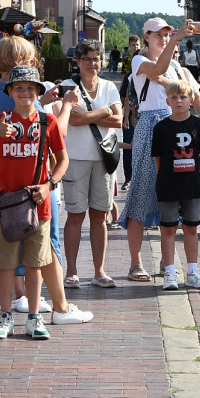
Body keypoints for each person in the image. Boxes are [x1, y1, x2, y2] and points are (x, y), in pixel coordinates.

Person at [0, 36, 91, 330]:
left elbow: (56, 148)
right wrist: (65, 105)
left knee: (13, 251)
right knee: (33, 249)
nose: (25, 93)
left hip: (19, 184)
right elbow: (52, 134)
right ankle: (55, 307)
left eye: (29, 89)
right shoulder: (12, 104)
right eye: (32, 58)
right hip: (23, 186)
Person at [118, 18, 199, 282]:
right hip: (151, 124)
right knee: (141, 195)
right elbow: (159, 67)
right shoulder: (139, 61)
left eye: (167, 34)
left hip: (175, 125)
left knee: (172, 196)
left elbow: (192, 94)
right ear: (146, 37)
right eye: (159, 35)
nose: (163, 38)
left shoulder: (176, 65)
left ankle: (168, 264)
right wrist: (176, 41)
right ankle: (135, 263)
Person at [62, 40, 122, 289]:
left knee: (100, 216)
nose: (92, 64)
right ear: (77, 60)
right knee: (75, 216)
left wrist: (95, 115)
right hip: (76, 157)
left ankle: (99, 271)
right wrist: (104, 112)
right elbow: (73, 121)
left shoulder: (109, 87)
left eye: (96, 59)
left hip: (103, 157)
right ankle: (72, 271)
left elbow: (119, 120)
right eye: (87, 59)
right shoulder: (69, 87)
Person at [153, 79, 200, 290]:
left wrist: (193, 170)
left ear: (191, 100)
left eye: (183, 97)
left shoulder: (198, 125)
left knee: (191, 227)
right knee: (167, 228)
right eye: (174, 98)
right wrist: (166, 176)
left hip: (191, 184)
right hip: (168, 184)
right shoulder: (161, 127)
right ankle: (169, 272)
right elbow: (158, 158)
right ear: (167, 101)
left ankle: (193, 271)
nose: (179, 101)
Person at [119, 35, 141, 190]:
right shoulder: (128, 76)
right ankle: (128, 178)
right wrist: (126, 116)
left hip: (145, 117)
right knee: (128, 146)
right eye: (133, 45)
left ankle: (141, 180)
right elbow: (125, 97)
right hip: (132, 115)